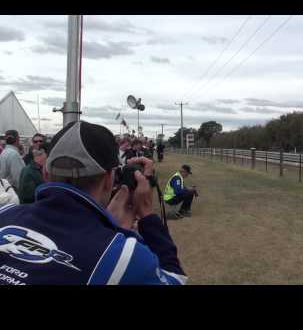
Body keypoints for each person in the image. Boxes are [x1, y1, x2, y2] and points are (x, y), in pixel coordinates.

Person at [0, 121, 186, 285]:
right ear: (109, 179)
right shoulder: (122, 256)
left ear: (45, 174)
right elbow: (174, 279)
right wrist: (146, 213)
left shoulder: (5, 214)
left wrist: (106, 226)